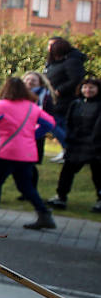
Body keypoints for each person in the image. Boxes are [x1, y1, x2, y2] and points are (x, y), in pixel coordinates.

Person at [0, 77, 58, 230]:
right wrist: (34, 134)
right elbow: (50, 123)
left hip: (5, 151)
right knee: (26, 185)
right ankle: (44, 214)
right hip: (26, 152)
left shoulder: (0, 106)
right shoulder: (32, 107)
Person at [48, 76, 101, 212]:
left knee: (98, 174)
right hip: (76, 143)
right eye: (85, 87)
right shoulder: (76, 104)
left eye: (91, 87)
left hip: (95, 145)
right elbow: (68, 122)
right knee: (67, 171)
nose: (88, 90)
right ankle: (61, 197)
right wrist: (70, 137)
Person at [45, 36, 87, 121]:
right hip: (52, 100)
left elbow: (76, 79)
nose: (50, 47)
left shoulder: (71, 61)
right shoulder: (52, 62)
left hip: (64, 102)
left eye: (52, 45)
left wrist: (59, 90)